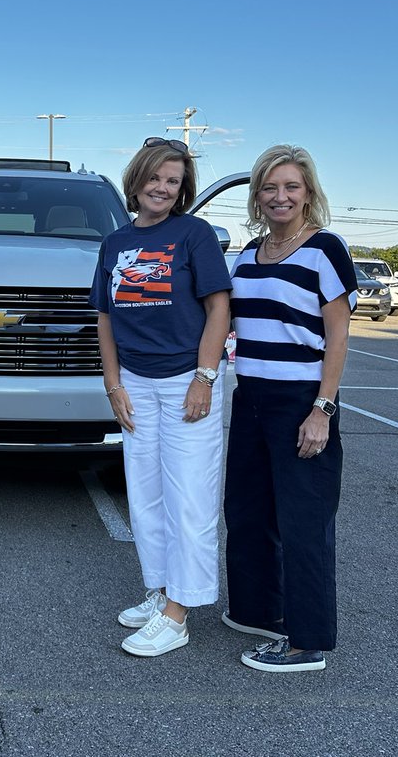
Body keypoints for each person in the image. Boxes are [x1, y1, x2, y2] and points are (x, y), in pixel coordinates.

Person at [91, 138, 232, 658]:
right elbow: (105, 318)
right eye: (155, 178)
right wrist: (114, 385)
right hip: (136, 384)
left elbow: (220, 308)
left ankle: (180, 613)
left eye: (173, 181)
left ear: (182, 188)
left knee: (189, 498)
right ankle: (160, 592)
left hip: (184, 382)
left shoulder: (193, 235)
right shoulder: (115, 243)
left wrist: (205, 376)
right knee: (145, 497)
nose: (162, 188)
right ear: (137, 180)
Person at [222, 144, 356, 673]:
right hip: (250, 398)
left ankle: (307, 642)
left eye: (291, 187)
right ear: (257, 195)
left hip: (302, 400)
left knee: (304, 522)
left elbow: (339, 336)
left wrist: (323, 409)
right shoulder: (246, 256)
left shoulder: (325, 249)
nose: (280, 196)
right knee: (248, 512)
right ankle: (260, 611)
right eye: (270, 187)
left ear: (308, 195)